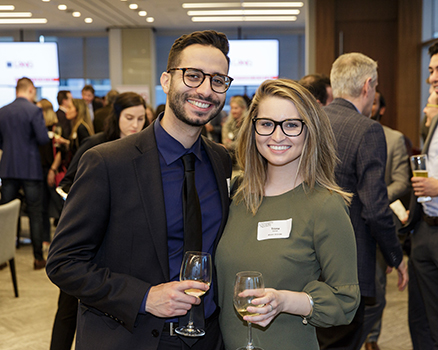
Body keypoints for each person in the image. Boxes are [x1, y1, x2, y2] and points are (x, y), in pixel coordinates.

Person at [46, 30, 233, 350]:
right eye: (193, 76)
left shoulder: (220, 160)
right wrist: (144, 297)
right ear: (166, 80)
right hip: (130, 336)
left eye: (218, 80)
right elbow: (64, 263)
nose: (206, 89)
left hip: (207, 337)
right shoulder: (107, 162)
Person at [216, 78, 360, 350]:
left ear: (310, 131)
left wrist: (285, 300)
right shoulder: (235, 195)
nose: (277, 136)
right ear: (253, 129)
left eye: (291, 125)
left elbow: (346, 300)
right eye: (267, 124)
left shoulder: (325, 205)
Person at [315, 52, 408, 350]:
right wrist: (395, 255)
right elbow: (375, 209)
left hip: (308, 258)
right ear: (368, 86)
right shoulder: (368, 130)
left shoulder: (312, 122)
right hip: (348, 265)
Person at [49, 92, 147, 350]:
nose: (135, 125)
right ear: (116, 117)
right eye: (129, 118)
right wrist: (88, 206)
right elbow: (65, 184)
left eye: (140, 118)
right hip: (86, 238)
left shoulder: (146, 148)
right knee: (68, 307)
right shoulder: (95, 145)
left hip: (119, 245)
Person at [362, 91, 410, 350]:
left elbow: (402, 181)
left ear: (380, 108)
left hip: (379, 222)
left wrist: (374, 197)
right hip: (349, 223)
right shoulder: (346, 132)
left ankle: (372, 339)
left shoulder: (394, 138)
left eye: (375, 101)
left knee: (377, 287)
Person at [403, 41, 438, 349]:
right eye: (431, 70)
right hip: (426, 226)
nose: (433, 78)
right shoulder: (435, 117)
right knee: (422, 318)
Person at [0, 77, 50, 269]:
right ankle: (38, 258)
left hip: (8, 168)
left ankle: (2, 257)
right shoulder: (34, 110)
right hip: (30, 168)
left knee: (5, 213)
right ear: (30, 89)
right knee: (35, 213)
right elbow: (43, 138)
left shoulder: (2, 111)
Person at [36, 99, 65, 252]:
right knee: (43, 208)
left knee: (60, 207)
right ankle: (46, 239)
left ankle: (64, 241)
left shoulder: (57, 128)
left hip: (53, 170)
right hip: (40, 171)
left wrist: (53, 170)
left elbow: (60, 151)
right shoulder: (38, 128)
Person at [221, 95, 248, 165]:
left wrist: (230, 144)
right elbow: (225, 142)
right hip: (232, 161)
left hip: (246, 160)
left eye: (236, 108)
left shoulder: (248, 124)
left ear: (243, 108)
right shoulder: (228, 124)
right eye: (232, 108)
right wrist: (237, 143)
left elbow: (245, 144)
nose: (233, 111)